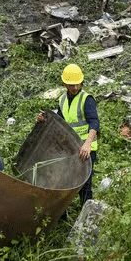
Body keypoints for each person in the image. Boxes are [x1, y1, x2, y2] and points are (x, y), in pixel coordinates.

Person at [36, 64, 99, 206]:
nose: (75, 88)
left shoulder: (86, 99)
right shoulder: (62, 100)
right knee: (66, 180)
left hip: (85, 148)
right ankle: (64, 214)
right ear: (64, 84)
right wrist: (43, 119)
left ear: (82, 82)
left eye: (78, 84)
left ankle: (86, 212)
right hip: (70, 148)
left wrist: (87, 144)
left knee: (85, 184)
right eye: (72, 85)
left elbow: (94, 122)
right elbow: (59, 122)